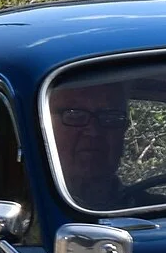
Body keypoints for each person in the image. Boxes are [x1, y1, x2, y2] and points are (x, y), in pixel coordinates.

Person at [48, 80, 131, 209]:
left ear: (124, 130)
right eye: (74, 115)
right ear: (43, 125)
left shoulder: (155, 214)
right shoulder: (21, 212)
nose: (93, 131)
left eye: (110, 117)